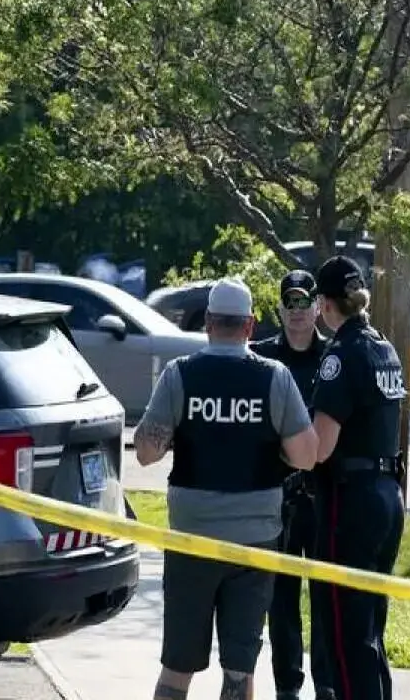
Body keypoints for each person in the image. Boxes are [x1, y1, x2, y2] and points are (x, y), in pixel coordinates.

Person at [132, 277, 320, 700]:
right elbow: (308, 455)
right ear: (251, 326)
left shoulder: (180, 375)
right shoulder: (274, 377)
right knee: (239, 671)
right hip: (254, 543)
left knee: (176, 666)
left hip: (191, 540)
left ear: (209, 324)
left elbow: (146, 452)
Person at [310, 255, 407, 700]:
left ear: (327, 305)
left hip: (350, 505)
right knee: (371, 628)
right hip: (389, 496)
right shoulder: (383, 347)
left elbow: (321, 447)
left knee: (346, 637)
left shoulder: (340, 356)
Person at [251, 270, 333, 700]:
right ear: (280, 309)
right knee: (280, 600)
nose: (298, 312)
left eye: (306, 304)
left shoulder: (333, 358)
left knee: (322, 597)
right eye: (291, 304)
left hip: (322, 499)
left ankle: (326, 684)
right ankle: (287, 686)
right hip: (277, 499)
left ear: (319, 307)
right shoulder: (261, 359)